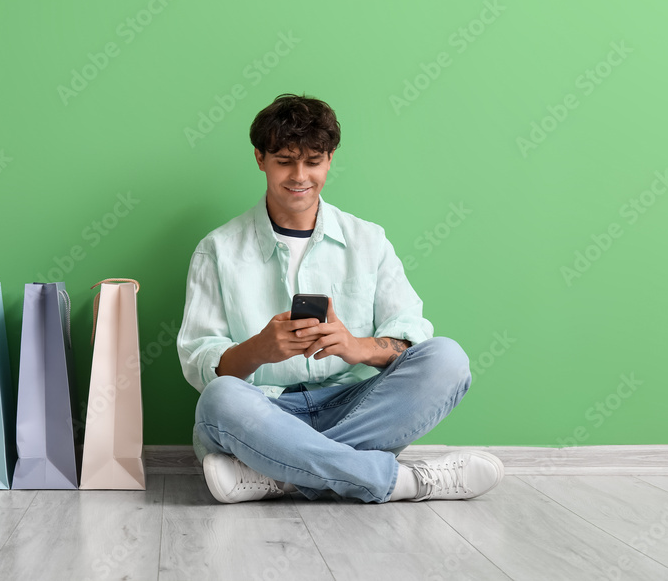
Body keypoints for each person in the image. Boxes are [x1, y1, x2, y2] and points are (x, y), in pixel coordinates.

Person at [176, 93, 503, 504]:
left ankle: (281, 473)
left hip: (353, 405)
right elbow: (200, 365)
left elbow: (410, 336)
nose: (299, 176)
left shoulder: (369, 240)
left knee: (448, 359)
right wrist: (259, 349)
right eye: (284, 161)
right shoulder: (218, 249)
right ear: (260, 158)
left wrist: (356, 347)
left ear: (329, 159)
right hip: (263, 412)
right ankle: (407, 482)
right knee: (220, 399)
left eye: (313, 162)